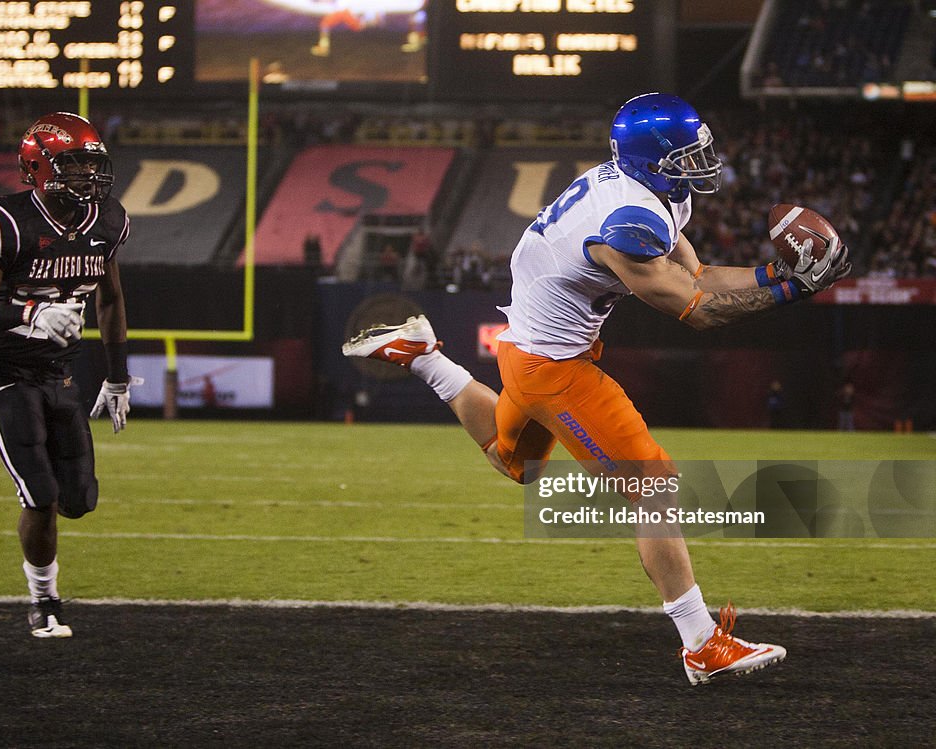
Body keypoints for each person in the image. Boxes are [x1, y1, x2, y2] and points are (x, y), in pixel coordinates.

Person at [344, 93, 851, 685]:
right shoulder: (628, 224)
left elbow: (700, 276)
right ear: (653, 160)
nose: (702, 163)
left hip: (529, 351)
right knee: (654, 488)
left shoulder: (651, 197)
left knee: (519, 467)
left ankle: (425, 357)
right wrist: (795, 290)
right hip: (554, 368)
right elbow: (697, 309)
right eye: (689, 155)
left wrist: (782, 275)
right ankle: (699, 643)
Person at [0, 112, 139, 638]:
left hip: (60, 370)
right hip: (5, 366)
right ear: (38, 167)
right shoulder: (10, 221)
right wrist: (29, 314)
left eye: (92, 164)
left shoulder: (106, 220)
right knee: (39, 497)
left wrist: (116, 377)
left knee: (78, 502)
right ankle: (45, 602)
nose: (88, 176)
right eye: (73, 165)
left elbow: (110, 299)